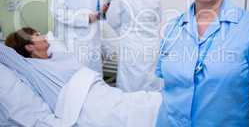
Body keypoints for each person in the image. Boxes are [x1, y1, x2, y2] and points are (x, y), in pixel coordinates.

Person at [2, 28, 162, 126]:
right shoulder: (31, 68)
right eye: (38, 35)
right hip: (83, 105)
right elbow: (6, 54)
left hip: (98, 91)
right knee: (138, 112)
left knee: (140, 102)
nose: (44, 36)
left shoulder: (57, 56)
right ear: (29, 46)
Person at [106, 0, 161, 92]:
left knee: (129, 86)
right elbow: (158, 19)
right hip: (151, 45)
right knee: (150, 85)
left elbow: (112, 20)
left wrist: (124, 30)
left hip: (130, 45)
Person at [51, 0, 107, 75]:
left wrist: (103, 11)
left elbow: (97, 13)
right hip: (74, 43)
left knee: (94, 81)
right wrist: (86, 19)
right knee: (77, 82)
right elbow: (58, 12)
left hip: (93, 43)